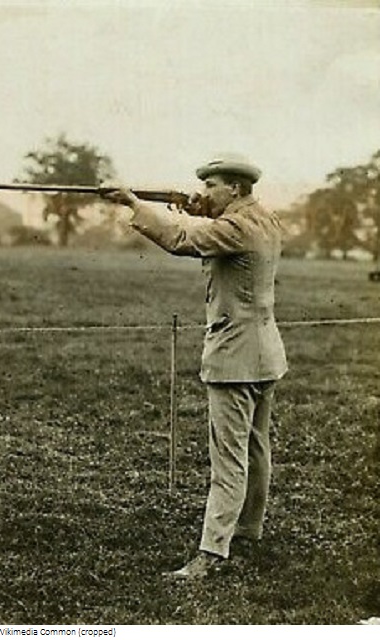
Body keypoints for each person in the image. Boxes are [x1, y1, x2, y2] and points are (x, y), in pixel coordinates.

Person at [102, 153, 288, 579]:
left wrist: (133, 203)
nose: (203, 192)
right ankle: (247, 532)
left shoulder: (236, 227)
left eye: (211, 185)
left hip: (234, 356)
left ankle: (212, 553)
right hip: (264, 353)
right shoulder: (265, 219)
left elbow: (180, 239)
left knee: (228, 458)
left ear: (235, 188)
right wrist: (200, 208)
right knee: (256, 449)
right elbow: (217, 230)